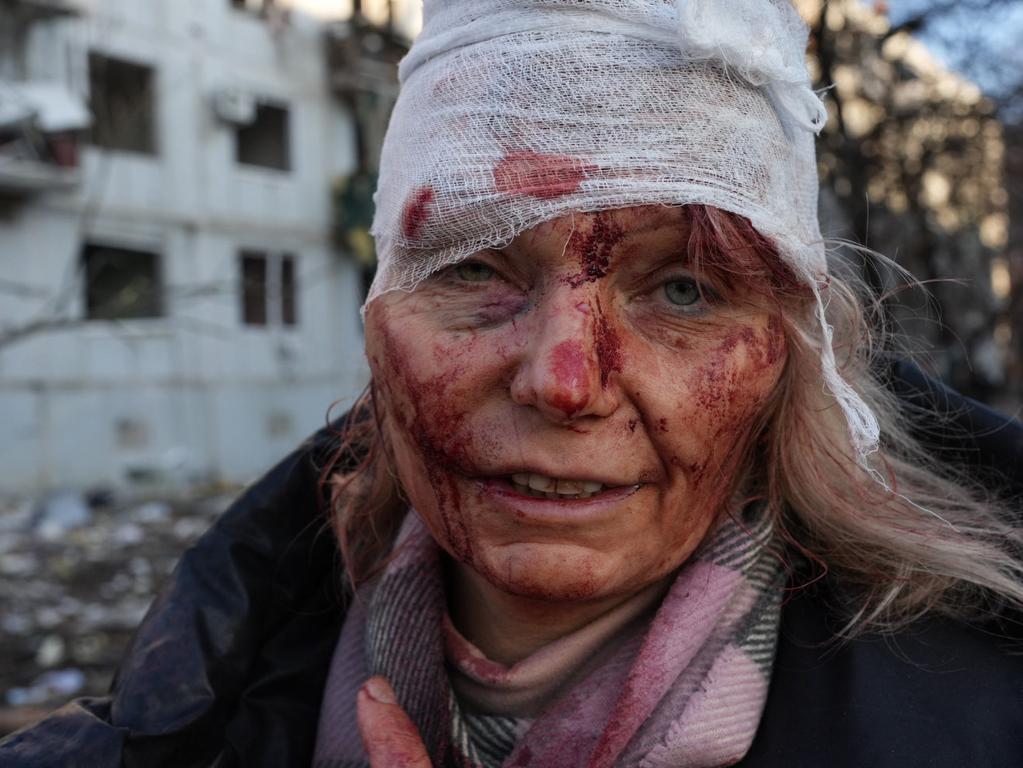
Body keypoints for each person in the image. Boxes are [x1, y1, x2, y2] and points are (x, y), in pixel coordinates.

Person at [3, 1, 1023, 766]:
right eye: (476, 268)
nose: (562, 381)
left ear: (789, 352)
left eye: (683, 289)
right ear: (379, 315)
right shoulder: (195, 719)